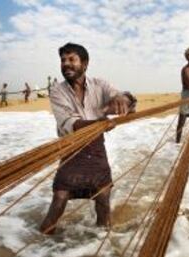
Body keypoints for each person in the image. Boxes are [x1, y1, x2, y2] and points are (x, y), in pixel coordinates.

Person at [40, 43, 136, 234]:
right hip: (71, 149)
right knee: (60, 197)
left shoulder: (99, 85)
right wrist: (101, 123)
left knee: (102, 199)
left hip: (96, 148)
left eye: (71, 59)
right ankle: (41, 245)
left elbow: (126, 98)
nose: (66, 64)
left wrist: (122, 99)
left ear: (85, 64)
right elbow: (71, 124)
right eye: (63, 60)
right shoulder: (57, 91)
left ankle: (102, 242)